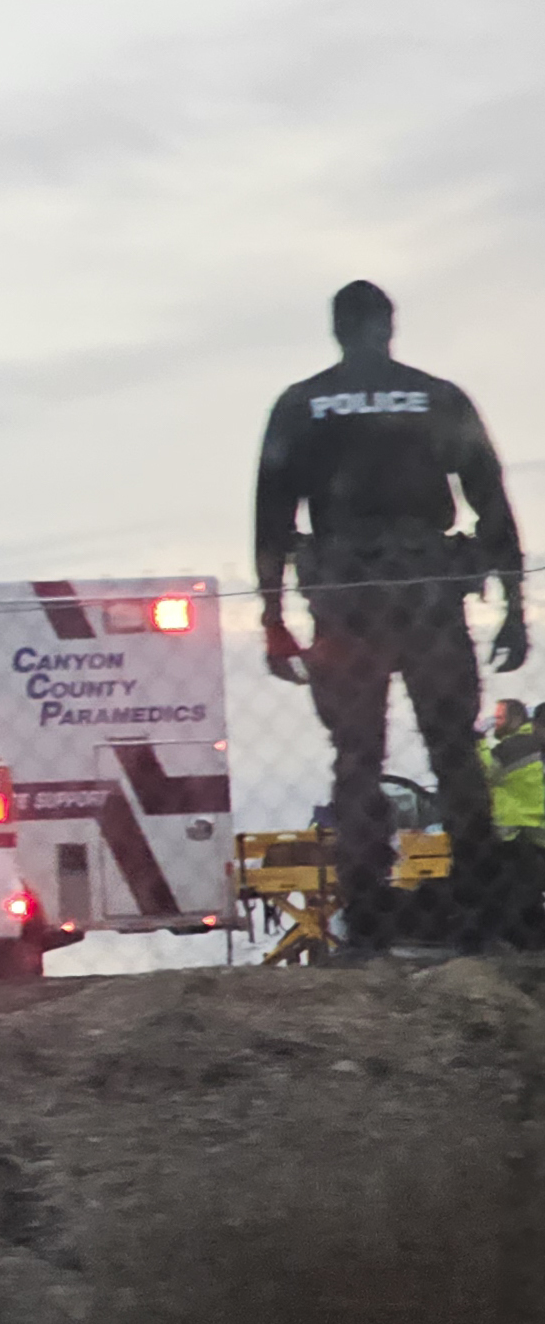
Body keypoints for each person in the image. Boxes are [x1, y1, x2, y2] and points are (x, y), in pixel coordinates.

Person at [257, 280, 527, 948]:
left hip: (347, 605)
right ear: (388, 325)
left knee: (355, 756)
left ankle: (368, 905)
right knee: (455, 751)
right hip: (429, 597)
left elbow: (270, 515)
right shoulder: (437, 397)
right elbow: (491, 498)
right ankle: (481, 903)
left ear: (338, 329)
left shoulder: (302, 405)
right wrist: (514, 604)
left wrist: (272, 616)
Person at [486, 699, 545, 940]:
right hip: (530, 833)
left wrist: (478, 740)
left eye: (499, 718)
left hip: (519, 831)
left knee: (521, 892)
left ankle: (513, 941)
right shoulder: (532, 749)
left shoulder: (514, 749)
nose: (495, 724)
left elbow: (483, 773)